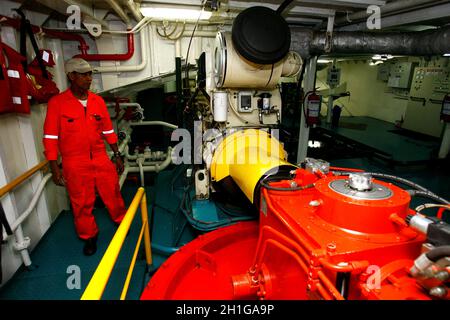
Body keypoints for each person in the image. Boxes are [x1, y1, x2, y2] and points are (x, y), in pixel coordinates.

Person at [43, 58, 126, 256]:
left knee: (113, 192)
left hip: (99, 156)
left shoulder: (97, 101)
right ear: (71, 76)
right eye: (83, 74)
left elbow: (108, 131)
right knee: (81, 202)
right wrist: (55, 168)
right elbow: (50, 138)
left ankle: (122, 222)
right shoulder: (57, 104)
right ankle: (89, 237)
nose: (89, 78)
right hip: (74, 161)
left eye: (90, 74)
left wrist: (117, 155)